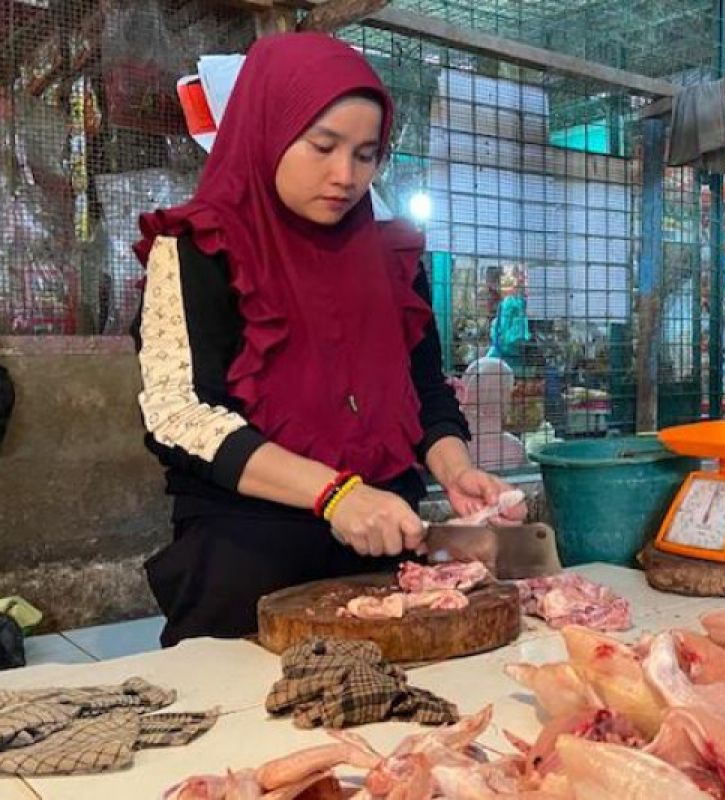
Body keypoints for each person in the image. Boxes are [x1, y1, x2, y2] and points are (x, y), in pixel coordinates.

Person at [131, 32, 525, 647]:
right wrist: (335, 494)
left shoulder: (390, 257)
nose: (345, 176)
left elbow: (422, 389)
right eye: (323, 146)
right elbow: (180, 416)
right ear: (267, 127)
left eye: (366, 155)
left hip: (385, 551)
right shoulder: (196, 249)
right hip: (249, 564)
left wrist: (455, 469)